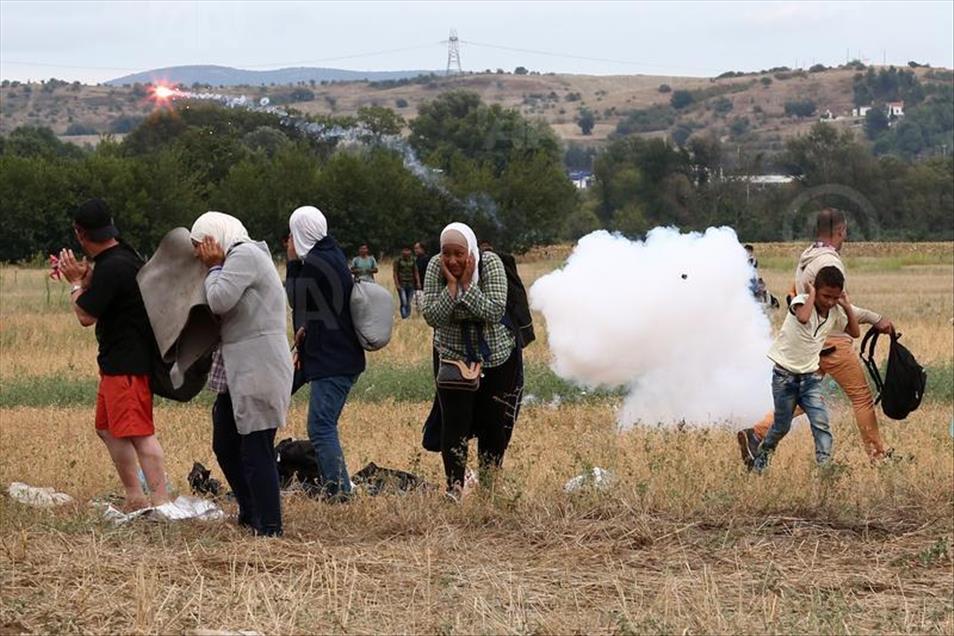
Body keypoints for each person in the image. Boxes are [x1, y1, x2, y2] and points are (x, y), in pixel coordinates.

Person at [737, 208, 897, 466]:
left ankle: (756, 434)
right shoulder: (830, 263)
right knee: (861, 398)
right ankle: (878, 456)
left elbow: (795, 296)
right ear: (841, 231)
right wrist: (875, 318)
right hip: (832, 340)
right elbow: (838, 312)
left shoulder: (807, 257)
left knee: (802, 398)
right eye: (845, 233)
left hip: (811, 342)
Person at [56, 198, 170, 511]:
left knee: (141, 435)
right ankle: (135, 497)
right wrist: (88, 278)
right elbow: (110, 295)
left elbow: (85, 315)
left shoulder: (113, 266)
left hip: (127, 364)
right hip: (118, 362)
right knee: (107, 428)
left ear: (80, 233)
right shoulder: (121, 257)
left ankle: (161, 503)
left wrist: (76, 283)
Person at [192, 211, 292, 536]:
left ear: (215, 238)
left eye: (201, 245)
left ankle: (270, 528)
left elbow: (219, 300)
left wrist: (214, 267)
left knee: (256, 449)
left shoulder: (244, 254)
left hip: (258, 366)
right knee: (225, 443)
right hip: (241, 368)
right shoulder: (239, 257)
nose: (199, 254)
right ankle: (251, 513)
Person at [421, 223, 521, 499]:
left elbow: (494, 310)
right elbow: (432, 316)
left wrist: (466, 287)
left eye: (459, 254)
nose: (452, 261)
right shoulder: (434, 267)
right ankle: (454, 487)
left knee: (493, 424)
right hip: (452, 356)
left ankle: (489, 489)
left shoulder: (491, 265)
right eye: (446, 254)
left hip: (497, 357)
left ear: (471, 252)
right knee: (454, 423)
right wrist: (452, 289)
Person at [286, 205, 366, 501]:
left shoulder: (316, 262)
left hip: (333, 360)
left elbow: (296, 298)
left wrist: (293, 262)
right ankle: (339, 487)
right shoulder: (332, 255)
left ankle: (339, 492)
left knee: (320, 426)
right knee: (319, 422)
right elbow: (317, 309)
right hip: (333, 356)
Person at [752, 266, 860, 471]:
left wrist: (845, 306)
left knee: (821, 424)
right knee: (781, 427)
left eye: (835, 298)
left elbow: (854, 332)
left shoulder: (835, 311)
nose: (829, 302)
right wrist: (811, 293)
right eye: (825, 296)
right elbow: (802, 317)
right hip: (785, 377)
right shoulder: (801, 301)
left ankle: (825, 468)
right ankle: (762, 458)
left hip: (810, 378)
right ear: (816, 290)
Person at [393, 246, 420, 319]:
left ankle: (407, 316)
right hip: (402, 284)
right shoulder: (398, 260)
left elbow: (415, 271)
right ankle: (404, 316)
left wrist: (418, 282)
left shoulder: (413, 260)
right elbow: (395, 273)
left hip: (411, 283)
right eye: (405, 251)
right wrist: (397, 284)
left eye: (408, 251)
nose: (407, 253)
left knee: (409, 302)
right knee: (404, 301)